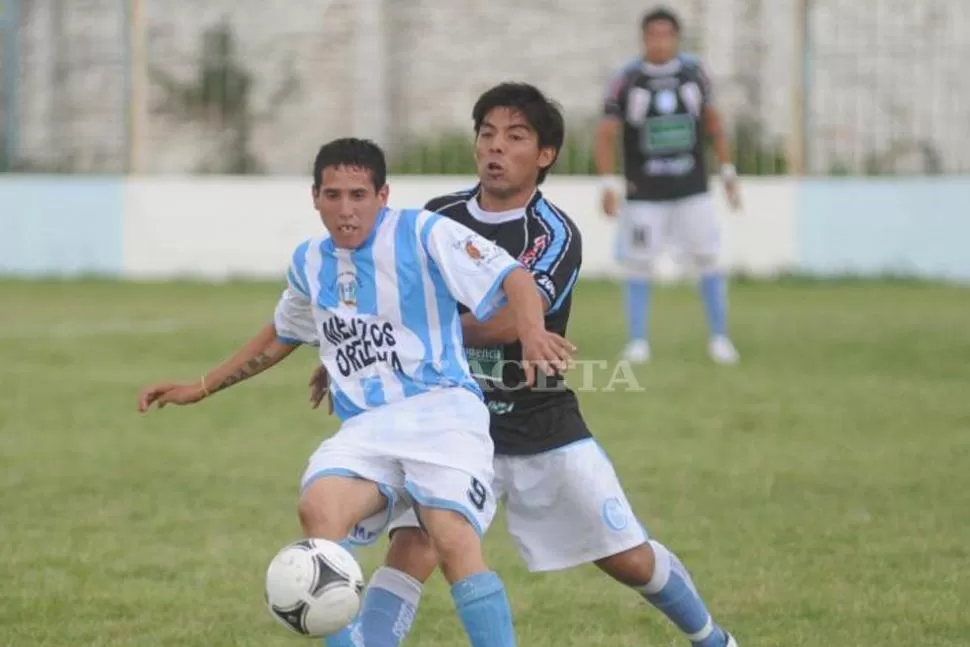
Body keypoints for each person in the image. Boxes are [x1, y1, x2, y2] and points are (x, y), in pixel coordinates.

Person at [313, 84, 738, 647]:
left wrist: (400, 333)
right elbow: (378, 299)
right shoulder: (436, 218)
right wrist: (356, 346)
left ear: (545, 155)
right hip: (448, 424)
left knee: (627, 557)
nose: (495, 147)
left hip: (537, 421)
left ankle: (712, 638)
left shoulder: (553, 234)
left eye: (515, 137)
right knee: (415, 545)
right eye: (486, 134)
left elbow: (511, 319)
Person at [135, 137, 577, 647]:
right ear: (315, 197)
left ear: (383, 195)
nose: (346, 210)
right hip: (368, 426)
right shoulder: (310, 262)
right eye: (334, 195)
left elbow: (512, 275)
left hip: (443, 414)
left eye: (359, 195)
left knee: (448, 537)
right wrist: (201, 386)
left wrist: (533, 332)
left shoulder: (423, 232)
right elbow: (283, 333)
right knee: (319, 508)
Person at [595, 6, 742, 365]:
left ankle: (720, 338)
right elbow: (606, 133)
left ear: (676, 38)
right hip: (644, 193)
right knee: (638, 263)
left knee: (708, 258)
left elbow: (713, 123)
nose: (660, 42)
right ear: (644, 38)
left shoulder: (694, 74)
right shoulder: (627, 80)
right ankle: (638, 342)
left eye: (667, 35)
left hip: (692, 190)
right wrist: (608, 183)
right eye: (653, 35)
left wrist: (728, 172)